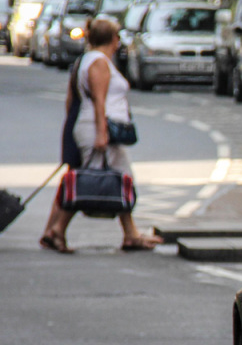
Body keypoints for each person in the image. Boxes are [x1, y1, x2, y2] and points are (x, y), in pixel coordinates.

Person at [40, 18, 160, 253]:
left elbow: (71, 101)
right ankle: (57, 230)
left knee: (117, 177)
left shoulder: (90, 60)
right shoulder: (98, 63)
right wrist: (101, 133)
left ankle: (129, 234)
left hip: (92, 127)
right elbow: (99, 100)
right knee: (92, 179)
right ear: (113, 39)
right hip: (98, 128)